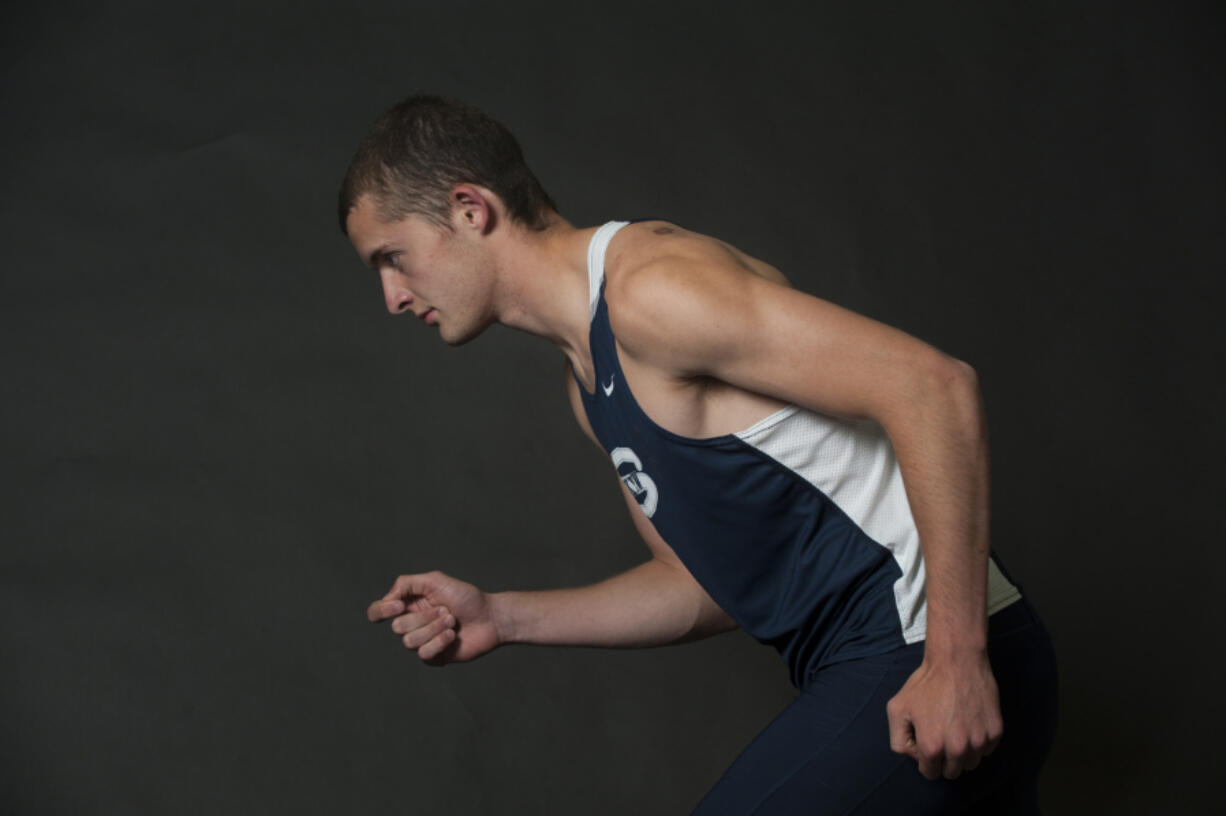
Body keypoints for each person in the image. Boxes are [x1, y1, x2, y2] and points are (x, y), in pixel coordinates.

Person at [339, 95, 1058, 814]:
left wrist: (957, 660)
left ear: (470, 208)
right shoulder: (587, 376)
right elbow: (700, 586)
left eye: (393, 257)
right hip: (888, 664)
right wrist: (503, 616)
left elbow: (933, 388)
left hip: (931, 652)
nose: (392, 297)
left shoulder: (652, 290)